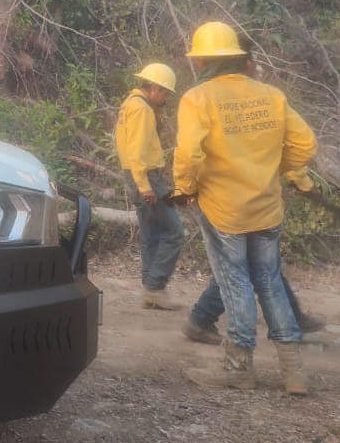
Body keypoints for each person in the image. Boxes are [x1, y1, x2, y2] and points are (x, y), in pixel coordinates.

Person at [175, 21, 317, 395]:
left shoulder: (198, 99)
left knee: (235, 282)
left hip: (225, 211)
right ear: (238, 58)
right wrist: (284, 172)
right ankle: (294, 373)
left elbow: (188, 154)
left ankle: (238, 366)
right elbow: (305, 145)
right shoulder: (271, 95)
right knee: (270, 282)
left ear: (202, 61)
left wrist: (185, 188)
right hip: (267, 207)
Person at [114, 62, 186, 310]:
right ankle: (155, 287)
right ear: (154, 88)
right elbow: (137, 151)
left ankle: (150, 290)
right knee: (175, 232)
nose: (166, 97)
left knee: (151, 233)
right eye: (164, 92)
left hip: (135, 175)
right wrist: (145, 186)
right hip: (146, 177)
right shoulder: (141, 109)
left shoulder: (130, 104)